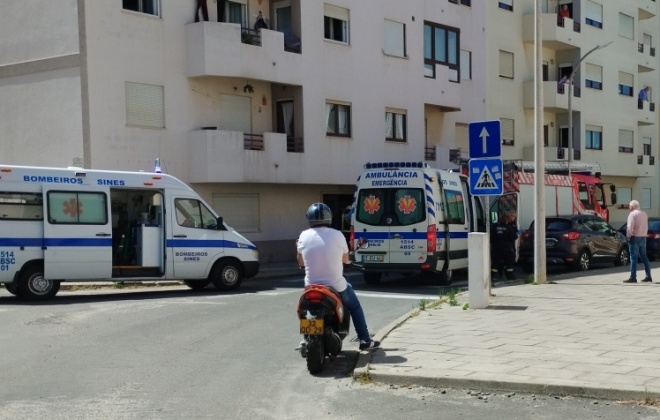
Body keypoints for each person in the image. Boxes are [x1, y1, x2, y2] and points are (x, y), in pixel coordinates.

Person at [297, 203, 380, 350]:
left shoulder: (303, 235)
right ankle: (365, 340)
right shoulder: (337, 234)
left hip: (311, 286)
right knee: (355, 307)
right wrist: (347, 260)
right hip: (336, 285)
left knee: (305, 309)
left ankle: (306, 338)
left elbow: (300, 261)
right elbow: (346, 259)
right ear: (329, 217)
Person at [624, 200, 652, 283]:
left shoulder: (632, 214)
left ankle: (633, 277)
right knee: (644, 257)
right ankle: (648, 276)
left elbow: (629, 227)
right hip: (643, 237)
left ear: (632, 207)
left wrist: (628, 236)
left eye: (629, 206)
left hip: (635, 237)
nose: (629, 207)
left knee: (633, 258)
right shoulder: (644, 214)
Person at [490, 212, 518, 281]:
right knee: (509, 262)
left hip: (496, 248)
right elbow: (514, 237)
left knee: (495, 262)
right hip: (507, 248)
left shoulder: (495, 227)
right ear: (507, 220)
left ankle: (491, 276)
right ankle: (509, 276)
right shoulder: (509, 227)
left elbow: (491, 238)